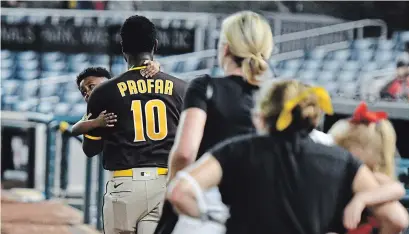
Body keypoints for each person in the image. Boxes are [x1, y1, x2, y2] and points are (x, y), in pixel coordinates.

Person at [167, 80, 409, 234]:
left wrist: (213, 220)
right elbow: (397, 219)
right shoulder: (342, 162)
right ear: (314, 118)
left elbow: (179, 192)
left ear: (261, 117)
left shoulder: (235, 150)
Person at [154, 11, 274, 234]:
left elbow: (185, 154)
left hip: (204, 205)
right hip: (255, 212)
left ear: (225, 48)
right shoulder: (272, 98)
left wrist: (173, 192)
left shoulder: (205, 87)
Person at [82, 15, 186, 234]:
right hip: (163, 184)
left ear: (123, 49)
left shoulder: (103, 92)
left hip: (124, 184)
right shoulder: (182, 89)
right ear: (155, 46)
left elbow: (91, 149)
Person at [328, 102, 405, 234]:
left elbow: (398, 189)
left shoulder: (372, 176)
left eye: (350, 145)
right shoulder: (341, 173)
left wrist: (362, 199)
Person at [71, 64, 160, 136]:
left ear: (108, 83)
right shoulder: (95, 112)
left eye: (92, 86)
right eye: (83, 92)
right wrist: (96, 122)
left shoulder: (124, 91)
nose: (88, 93)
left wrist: (155, 65)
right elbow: (74, 129)